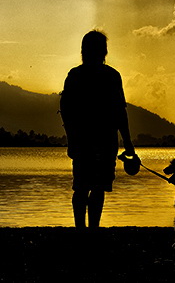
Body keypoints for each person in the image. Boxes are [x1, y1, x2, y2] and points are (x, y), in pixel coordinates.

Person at [59, 30, 136, 231]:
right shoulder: (111, 76)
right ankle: (92, 229)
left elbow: (66, 111)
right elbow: (120, 113)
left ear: (83, 51)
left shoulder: (75, 75)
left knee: (83, 187)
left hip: (83, 140)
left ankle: (81, 230)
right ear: (104, 51)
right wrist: (128, 142)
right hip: (104, 140)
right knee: (96, 187)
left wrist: (71, 138)